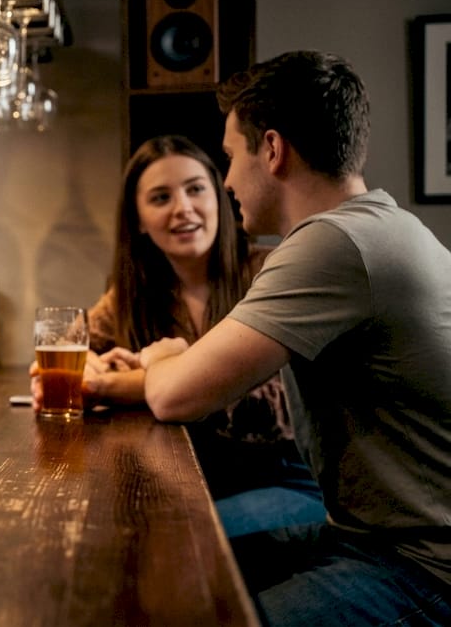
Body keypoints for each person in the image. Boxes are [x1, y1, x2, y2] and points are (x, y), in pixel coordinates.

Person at [142, 51, 451, 624]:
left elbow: (173, 396)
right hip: (362, 534)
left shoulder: (334, 243)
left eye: (230, 157)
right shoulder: (382, 226)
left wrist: (163, 357)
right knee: (175, 558)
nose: (227, 180)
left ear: (273, 150)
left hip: (421, 567)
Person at [34, 135, 324, 537]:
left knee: (174, 537)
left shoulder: (270, 273)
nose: (183, 208)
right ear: (138, 219)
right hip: (194, 482)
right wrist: (84, 372)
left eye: (195, 189)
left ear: (219, 197)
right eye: (160, 198)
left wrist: (120, 384)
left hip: (286, 480)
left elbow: (275, 407)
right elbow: (66, 353)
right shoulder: (133, 293)